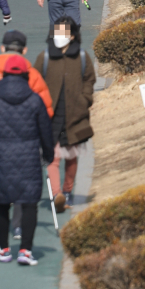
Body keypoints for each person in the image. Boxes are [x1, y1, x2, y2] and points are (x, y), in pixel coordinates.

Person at [0, 30, 53, 240]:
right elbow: (45, 108)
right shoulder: (31, 73)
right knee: (24, 182)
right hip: (26, 139)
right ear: (24, 50)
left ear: (2, 47)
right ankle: (19, 226)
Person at [34, 17, 95, 212]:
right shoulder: (44, 58)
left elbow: (89, 80)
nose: (61, 36)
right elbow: (35, 82)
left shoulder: (83, 57)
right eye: (58, 31)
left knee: (71, 156)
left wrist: (85, 99)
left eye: (65, 32)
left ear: (73, 35)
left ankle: (68, 191)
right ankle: (57, 194)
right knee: (52, 157)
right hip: (50, 116)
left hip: (75, 115)